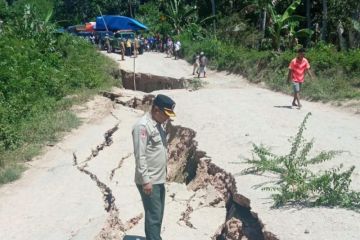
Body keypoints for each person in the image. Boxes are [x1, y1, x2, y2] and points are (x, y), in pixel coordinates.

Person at [132, 94, 176, 240]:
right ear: (156, 109)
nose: (168, 118)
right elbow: (140, 155)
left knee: (157, 214)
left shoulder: (157, 124)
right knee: (154, 216)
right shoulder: (142, 126)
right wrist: (146, 181)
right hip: (150, 180)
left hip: (158, 179)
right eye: (166, 114)